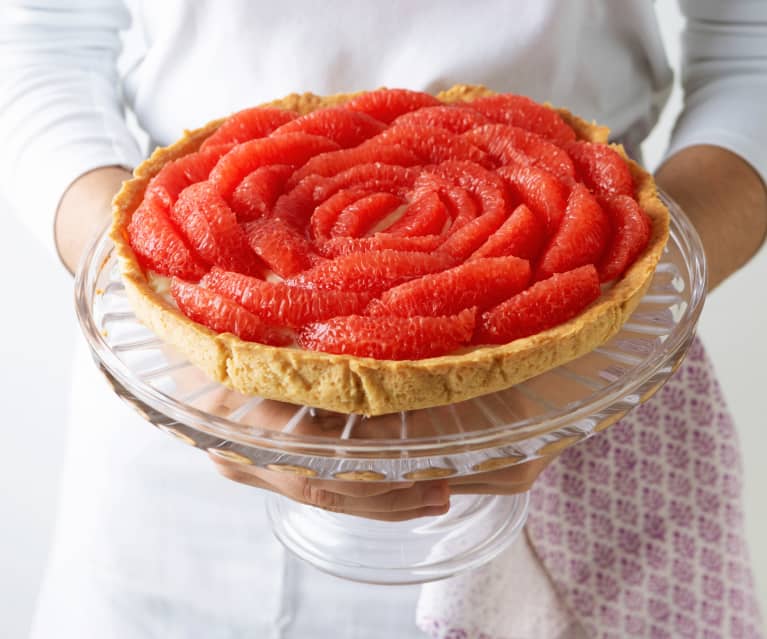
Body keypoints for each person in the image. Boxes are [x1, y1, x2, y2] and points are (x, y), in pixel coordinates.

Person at [1, 1, 765, 637]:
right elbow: (38, 40)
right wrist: (191, 330)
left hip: (575, 411)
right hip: (178, 454)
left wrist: (600, 311)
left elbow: (751, 48)